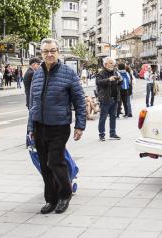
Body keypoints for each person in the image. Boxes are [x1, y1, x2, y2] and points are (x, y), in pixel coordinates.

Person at [27, 38, 86, 215]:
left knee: (55, 161)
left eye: (52, 50)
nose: (49, 54)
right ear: (41, 54)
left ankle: (65, 194)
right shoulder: (37, 74)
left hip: (59, 126)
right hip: (39, 125)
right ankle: (50, 199)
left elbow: (80, 101)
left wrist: (80, 125)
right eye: (46, 51)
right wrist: (31, 127)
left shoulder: (68, 73)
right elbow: (33, 103)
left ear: (58, 51)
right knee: (45, 165)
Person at [96, 57, 122, 141]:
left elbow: (119, 84)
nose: (112, 65)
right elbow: (98, 83)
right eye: (110, 63)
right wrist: (108, 79)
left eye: (113, 63)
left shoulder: (115, 72)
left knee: (113, 116)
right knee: (103, 117)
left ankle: (112, 133)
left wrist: (120, 80)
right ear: (105, 64)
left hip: (114, 98)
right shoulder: (101, 73)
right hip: (105, 99)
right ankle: (101, 134)